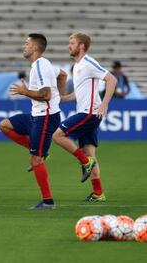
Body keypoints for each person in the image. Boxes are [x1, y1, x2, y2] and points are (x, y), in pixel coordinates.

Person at [0, 33, 67, 210]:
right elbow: (63, 75)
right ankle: (39, 150)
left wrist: (25, 92)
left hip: (45, 117)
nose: (24, 46)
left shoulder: (40, 66)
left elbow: (46, 95)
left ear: (36, 47)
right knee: (5, 125)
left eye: (27, 43)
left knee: (35, 159)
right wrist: (61, 95)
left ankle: (48, 201)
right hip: (36, 115)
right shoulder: (42, 65)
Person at [52, 33, 117, 202]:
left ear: (81, 46)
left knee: (57, 135)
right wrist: (64, 98)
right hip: (86, 111)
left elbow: (112, 79)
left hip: (89, 113)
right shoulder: (77, 66)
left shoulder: (88, 62)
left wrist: (105, 104)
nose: (69, 46)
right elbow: (81, 92)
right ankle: (98, 193)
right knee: (90, 153)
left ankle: (84, 162)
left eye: (72, 43)